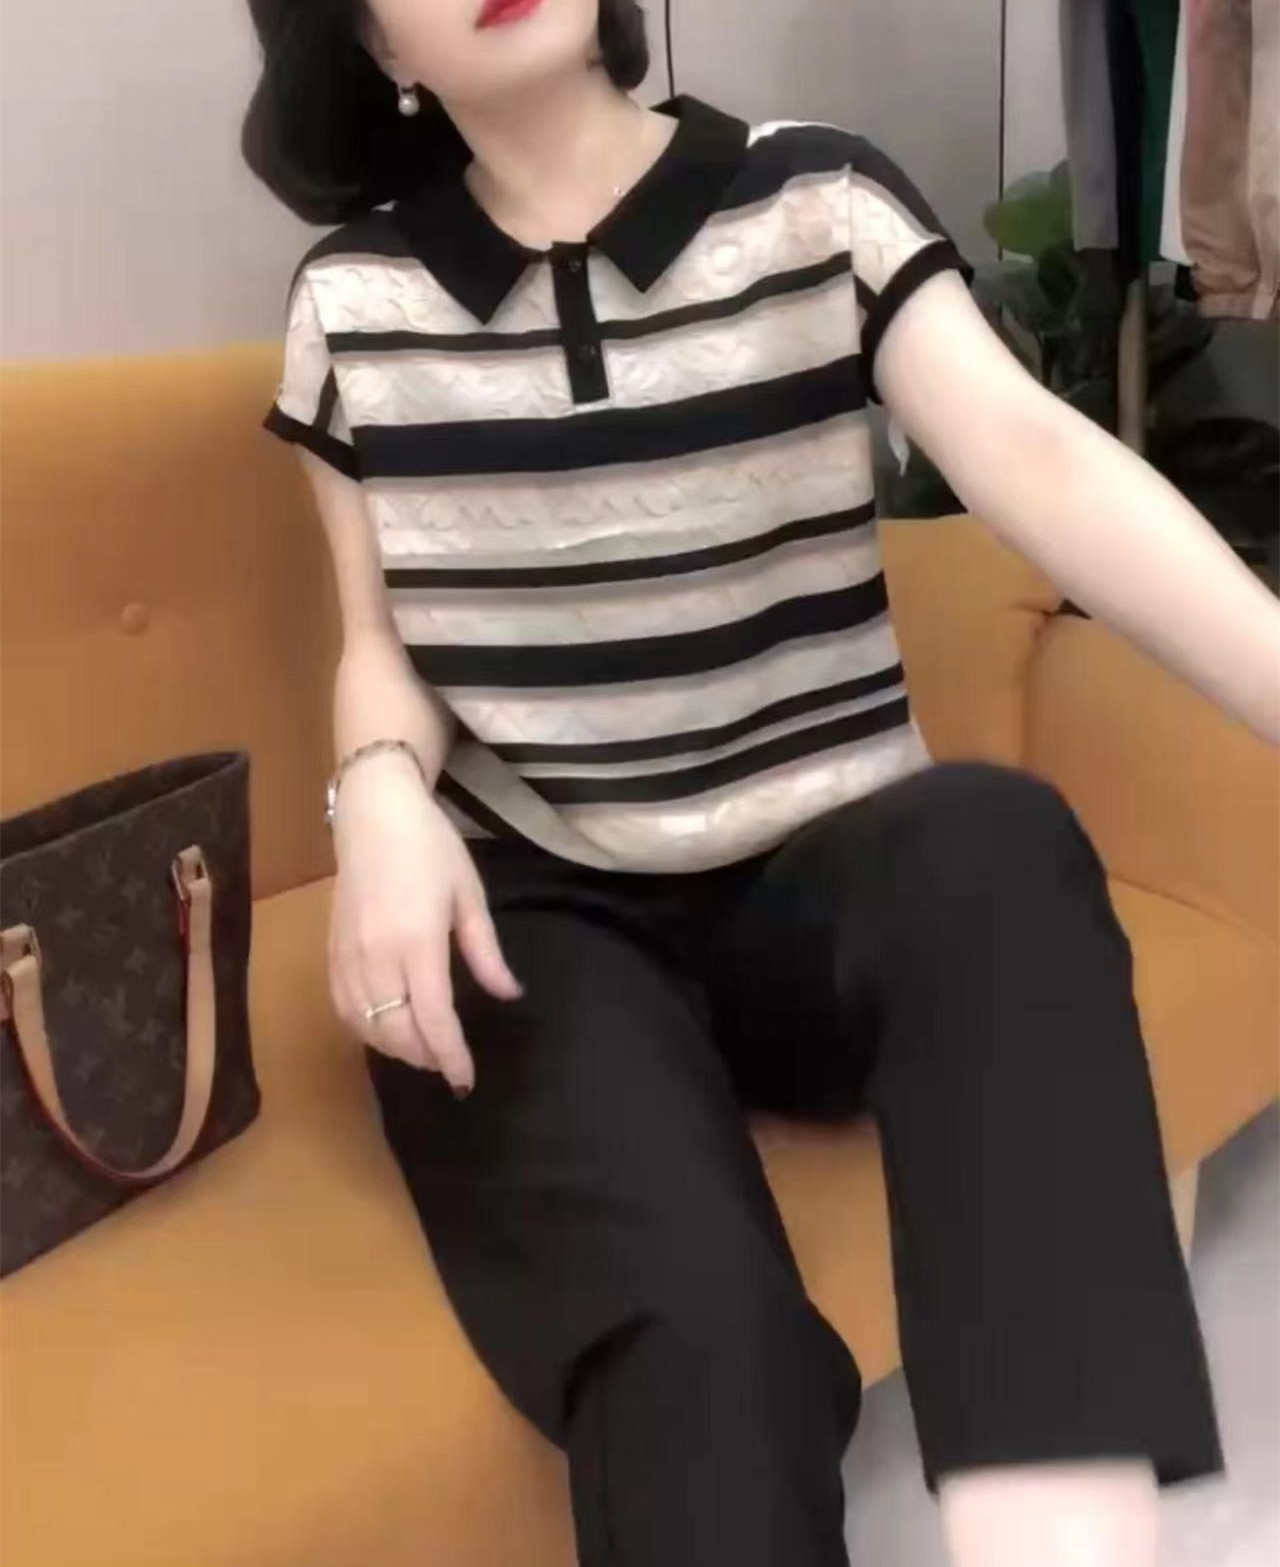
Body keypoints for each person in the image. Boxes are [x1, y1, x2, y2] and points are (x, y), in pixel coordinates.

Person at [242, 3, 1279, 1563]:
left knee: (992, 845)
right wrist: (379, 795)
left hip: (822, 887)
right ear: (375, 48)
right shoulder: (354, 304)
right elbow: (379, 637)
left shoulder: (816, 198)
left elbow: (1038, 460)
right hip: (545, 926)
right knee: (698, 1320)